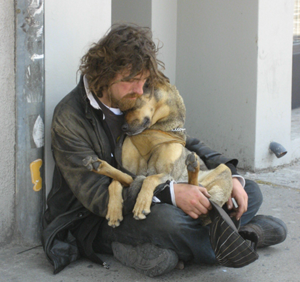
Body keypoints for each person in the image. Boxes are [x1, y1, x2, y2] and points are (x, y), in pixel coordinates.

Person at [42, 24, 287, 277]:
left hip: (152, 193)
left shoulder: (135, 95)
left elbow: (178, 138)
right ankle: (246, 236)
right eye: (131, 81)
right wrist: (170, 193)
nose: (139, 91)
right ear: (103, 75)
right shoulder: (69, 118)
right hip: (95, 218)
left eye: (144, 81)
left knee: (248, 191)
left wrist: (230, 172)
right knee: (169, 223)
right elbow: (97, 197)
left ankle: (182, 248)